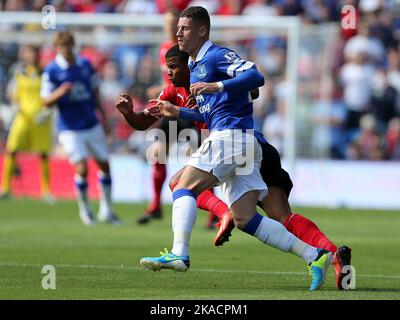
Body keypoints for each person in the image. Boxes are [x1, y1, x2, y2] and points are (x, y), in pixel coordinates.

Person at [140, 6, 332, 291]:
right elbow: (209, 116)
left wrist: (216, 86)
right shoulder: (193, 68)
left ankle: (179, 253)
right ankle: (314, 255)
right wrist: (177, 112)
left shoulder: (216, 55)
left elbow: (256, 77)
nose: (178, 33)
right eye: (178, 28)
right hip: (236, 140)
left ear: (202, 30)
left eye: (185, 28)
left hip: (231, 137)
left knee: (182, 184)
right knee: (245, 218)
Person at [116, 45, 232, 246]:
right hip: (218, 143)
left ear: (189, 66)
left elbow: (248, 93)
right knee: (251, 215)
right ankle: (220, 215)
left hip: (226, 140)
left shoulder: (207, 84)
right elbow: (143, 122)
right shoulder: (172, 90)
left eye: (173, 67)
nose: (167, 72)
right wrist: (128, 113)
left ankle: (219, 215)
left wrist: (180, 112)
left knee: (182, 183)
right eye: (166, 67)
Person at [40, 31, 121, 226]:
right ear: (58, 48)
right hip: (69, 129)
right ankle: (85, 211)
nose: (67, 50)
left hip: (91, 124)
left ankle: (106, 211)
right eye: (63, 46)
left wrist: (104, 117)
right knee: (82, 169)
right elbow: (45, 101)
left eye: (70, 46)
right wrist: (60, 92)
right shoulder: (52, 71)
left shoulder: (85, 64)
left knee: (105, 166)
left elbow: (94, 93)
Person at [0, 45, 54, 203]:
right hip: (22, 117)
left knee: (43, 153)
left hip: (41, 118)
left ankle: (46, 191)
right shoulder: (19, 72)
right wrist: (14, 106)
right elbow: (13, 93)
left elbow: (51, 92)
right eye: (27, 53)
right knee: (12, 150)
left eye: (33, 52)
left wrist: (47, 111)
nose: (30, 56)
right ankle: (5, 188)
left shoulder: (46, 72)